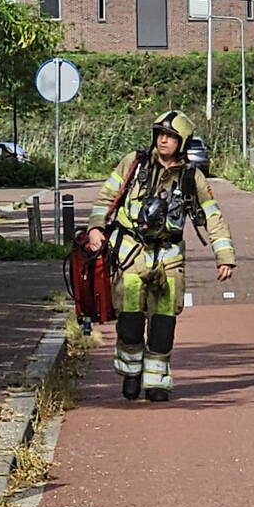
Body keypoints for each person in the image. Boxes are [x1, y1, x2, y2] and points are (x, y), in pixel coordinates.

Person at [85, 111, 236, 402]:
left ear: (182, 142)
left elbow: (213, 216)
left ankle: (157, 382)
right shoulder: (134, 163)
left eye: (170, 136)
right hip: (130, 255)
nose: (163, 140)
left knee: (163, 324)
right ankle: (131, 373)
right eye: (160, 134)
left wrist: (225, 256)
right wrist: (95, 228)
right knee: (129, 322)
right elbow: (106, 197)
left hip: (169, 259)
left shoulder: (193, 177)